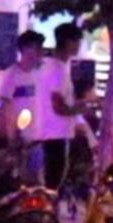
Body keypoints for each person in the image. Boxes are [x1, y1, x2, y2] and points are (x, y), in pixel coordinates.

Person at [39, 22, 88, 190]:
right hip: (56, 134)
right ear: (68, 42)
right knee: (53, 183)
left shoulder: (47, 65)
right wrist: (78, 109)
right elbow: (58, 105)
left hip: (47, 133)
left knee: (49, 181)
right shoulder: (57, 69)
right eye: (77, 42)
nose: (78, 46)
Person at [0, 31, 44, 142]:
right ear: (24, 49)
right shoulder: (11, 75)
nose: (39, 52)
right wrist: (8, 136)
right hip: (20, 140)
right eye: (35, 48)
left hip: (38, 138)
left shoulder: (39, 74)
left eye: (39, 48)